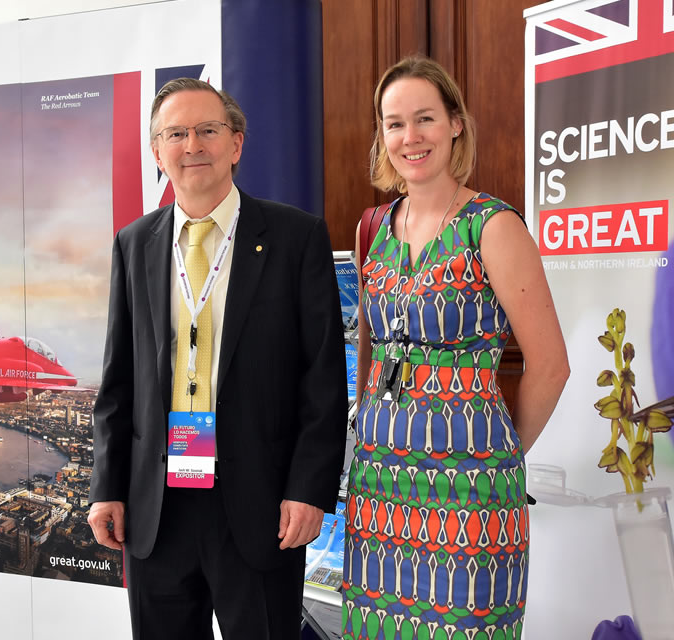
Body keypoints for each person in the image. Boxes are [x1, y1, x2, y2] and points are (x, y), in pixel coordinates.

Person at [87, 77, 347, 640]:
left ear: (236, 143)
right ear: (157, 152)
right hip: (157, 506)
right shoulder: (134, 245)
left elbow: (322, 378)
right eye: (175, 133)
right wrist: (106, 486)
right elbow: (118, 382)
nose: (192, 145)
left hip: (260, 506)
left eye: (208, 130)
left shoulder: (295, 237)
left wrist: (308, 489)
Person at [343, 56, 570, 639]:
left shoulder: (492, 227)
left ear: (455, 124)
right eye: (394, 124)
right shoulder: (374, 226)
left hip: (469, 487)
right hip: (380, 486)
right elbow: (371, 352)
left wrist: (498, 454)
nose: (410, 137)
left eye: (424, 119)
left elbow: (550, 365)